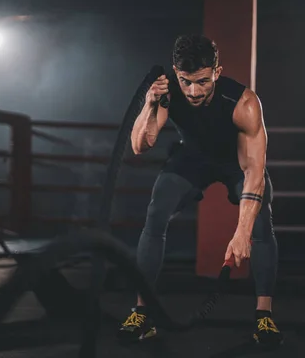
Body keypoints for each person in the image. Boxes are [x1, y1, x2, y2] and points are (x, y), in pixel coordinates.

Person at [117, 34, 282, 347]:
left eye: (202, 82)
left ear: (216, 73)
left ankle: (264, 317)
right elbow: (140, 146)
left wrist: (241, 232)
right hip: (192, 158)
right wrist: (150, 104)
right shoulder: (167, 92)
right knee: (155, 213)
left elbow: (255, 170)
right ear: (178, 73)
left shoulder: (243, 103)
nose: (193, 91)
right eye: (186, 82)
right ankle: (141, 312)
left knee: (261, 222)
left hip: (236, 161)